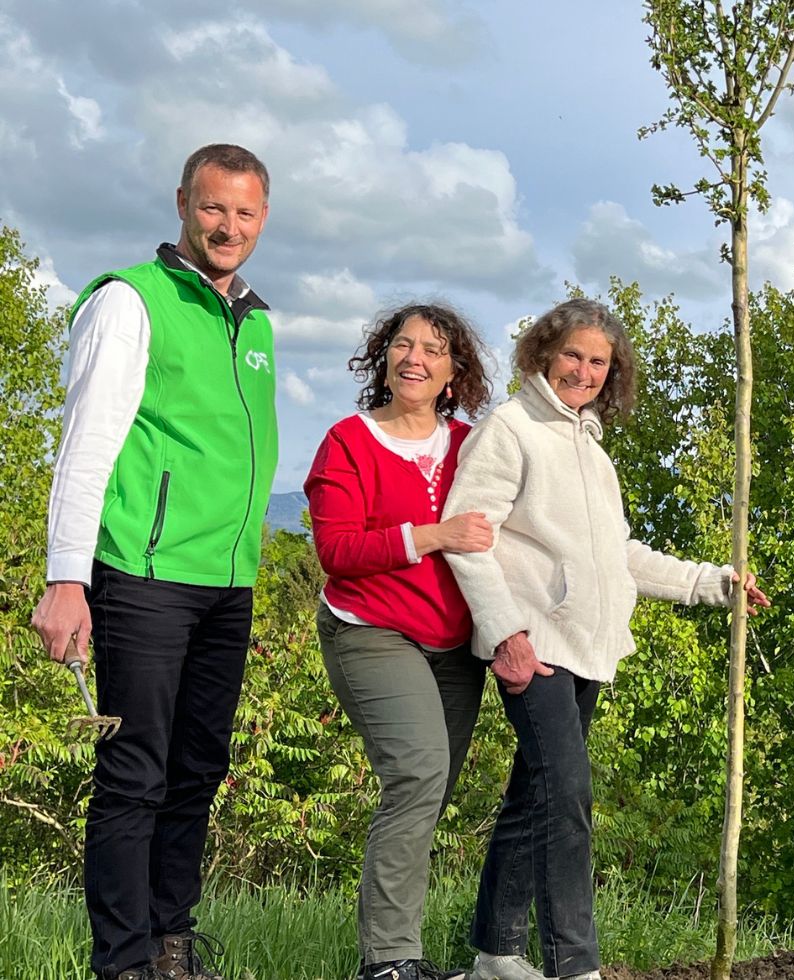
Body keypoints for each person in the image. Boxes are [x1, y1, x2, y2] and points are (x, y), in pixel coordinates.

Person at [443, 298, 770, 980]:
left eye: (599, 362)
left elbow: (619, 554)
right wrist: (506, 633)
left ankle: (497, 955)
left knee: (536, 795)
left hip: (584, 647)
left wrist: (717, 582)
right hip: (533, 646)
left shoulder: (590, 447)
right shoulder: (510, 428)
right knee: (567, 796)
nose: (584, 371)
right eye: (573, 355)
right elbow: (467, 536)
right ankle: (575, 965)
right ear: (542, 353)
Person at [29, 144, 275, 980]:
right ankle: (122, 962)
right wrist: (69, 578)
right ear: (182, 203)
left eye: (244, 213)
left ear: (263, 219)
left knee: (197, 772)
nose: (227, 227)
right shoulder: (131, 301)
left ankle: (172, 946)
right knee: (135, 774)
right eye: (213, 208)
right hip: (142, 574)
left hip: (227, 581)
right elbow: (86, 445)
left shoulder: (258, 323)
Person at [304, 303, 495, 980]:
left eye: (433, 350)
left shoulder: (472, 444)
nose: (415, 358)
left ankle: (398, 952)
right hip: (371, 631)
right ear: (383, 358)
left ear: (453, 372)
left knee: (427, 793)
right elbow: (336, 549)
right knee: (416, 775)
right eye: (403, 345)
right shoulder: (348, 441)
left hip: (455, 646)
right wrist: (434, 536)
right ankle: (389, 963)